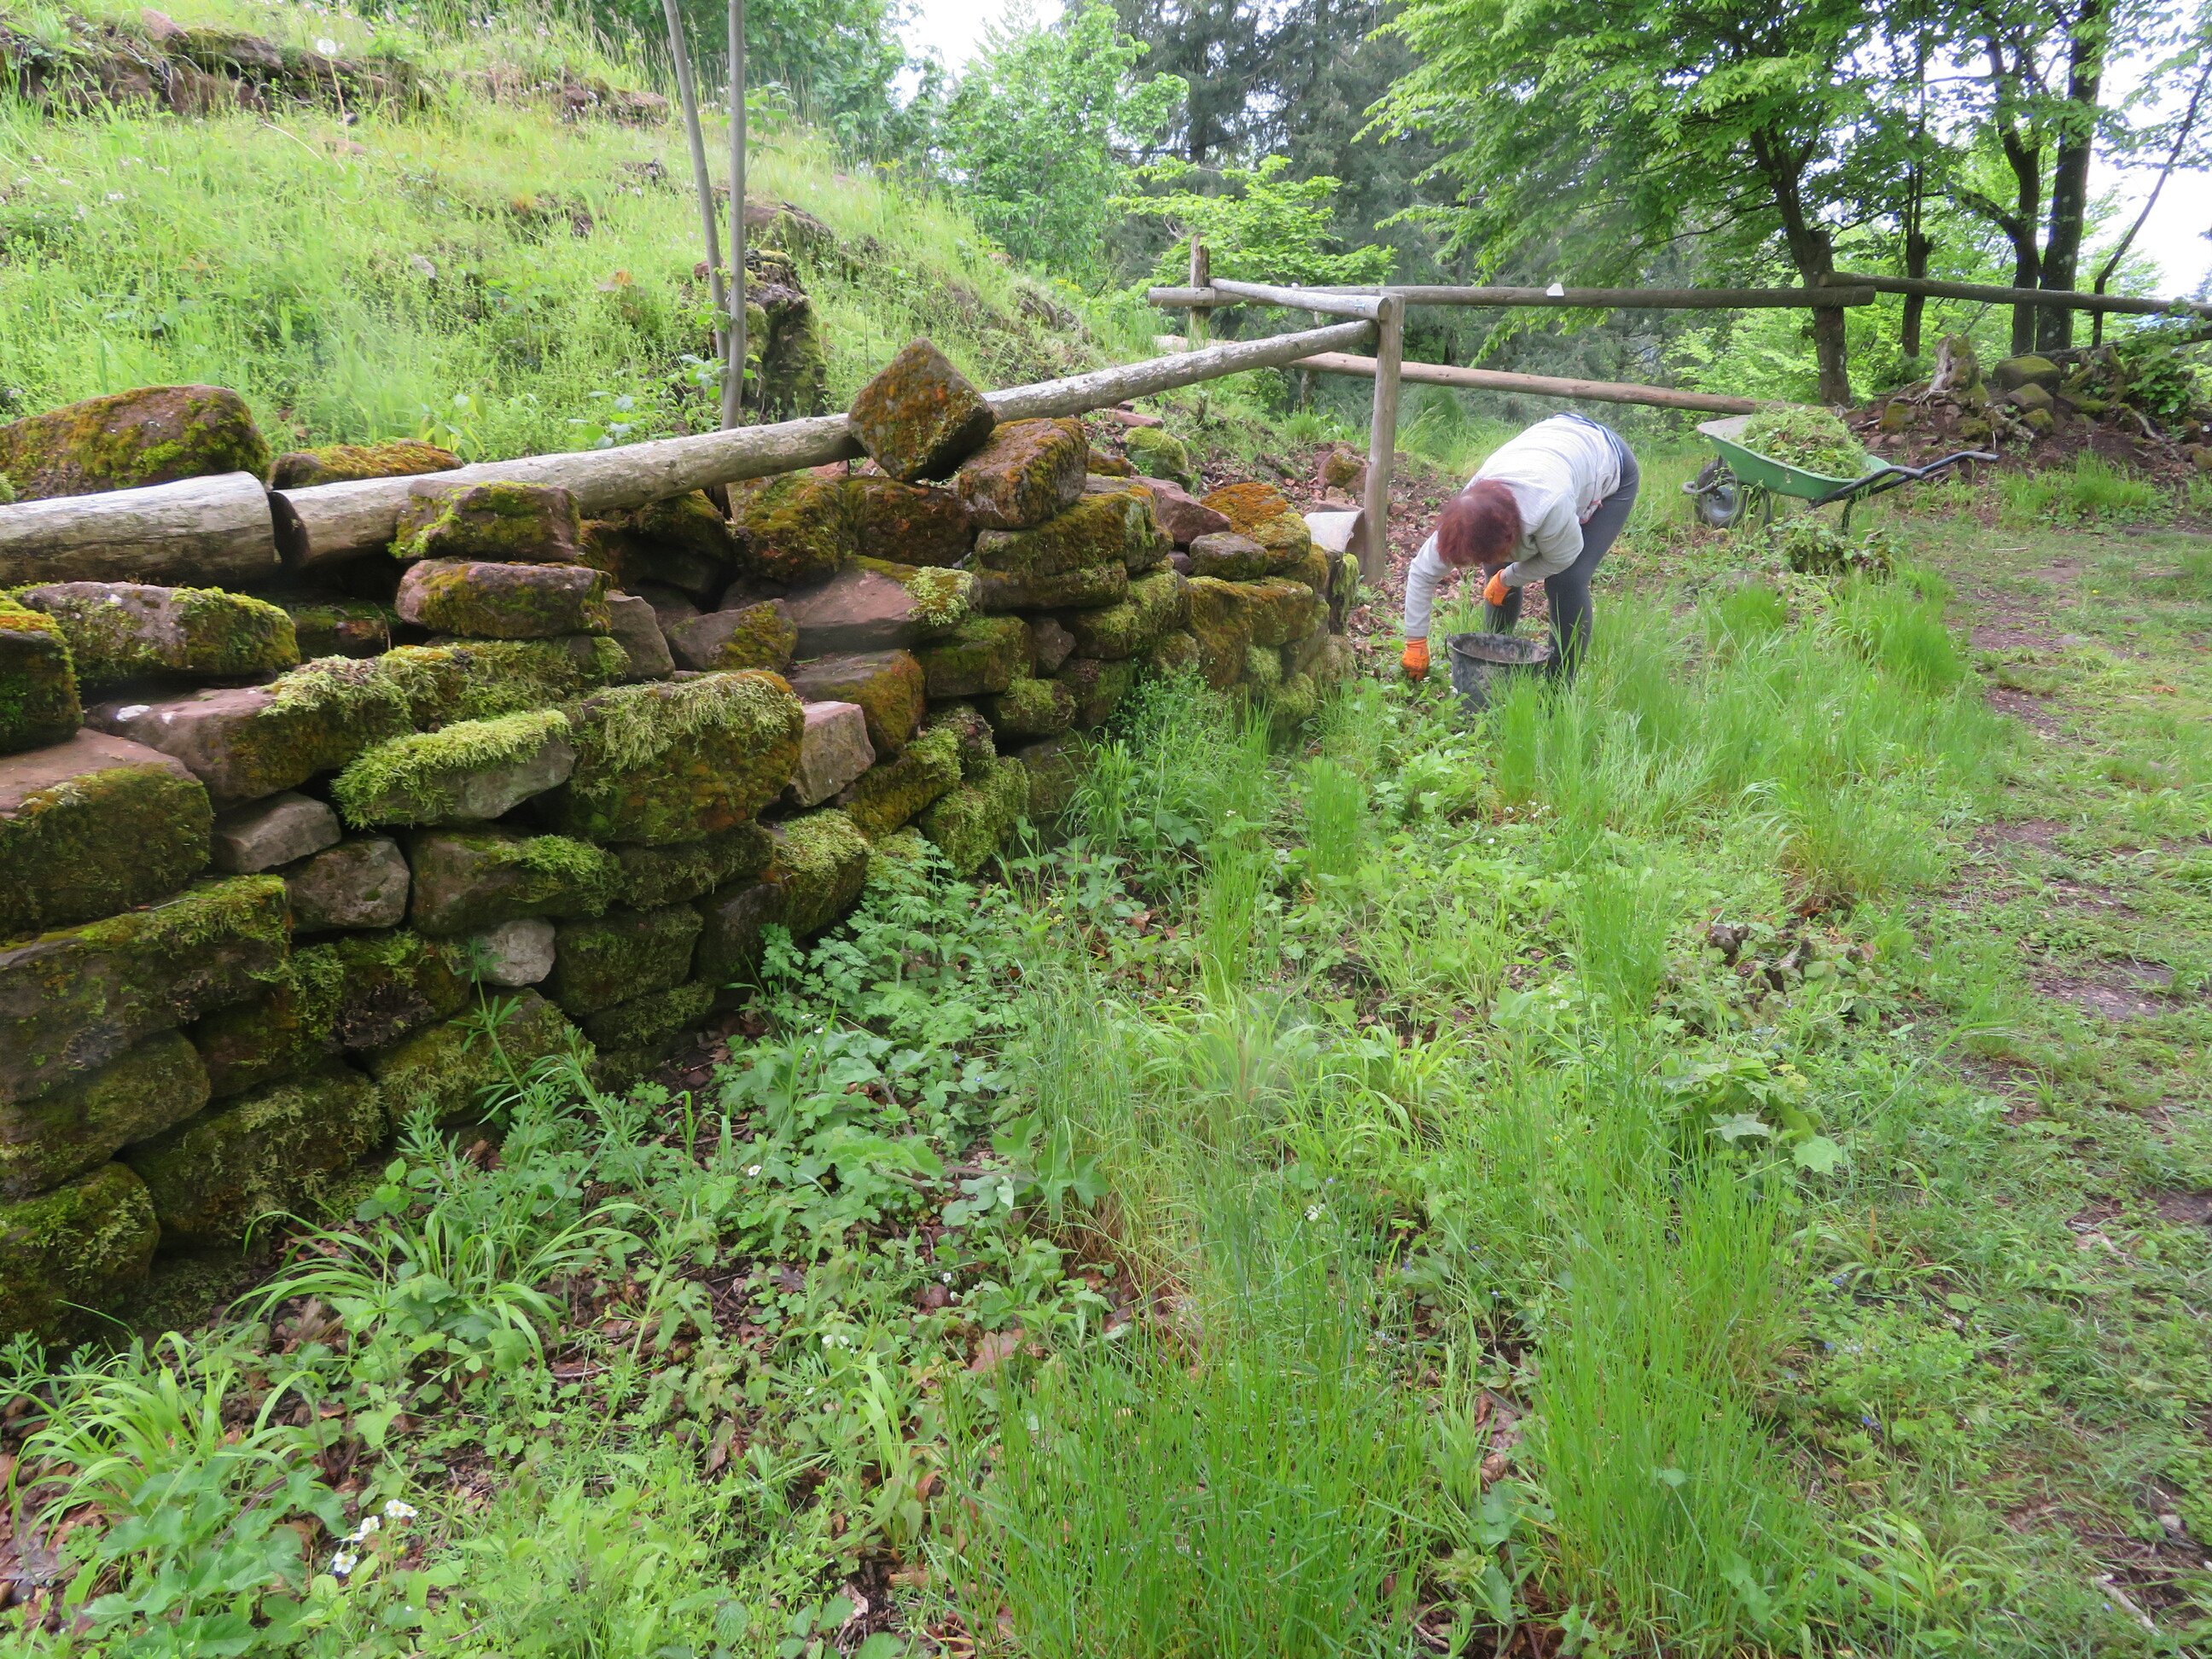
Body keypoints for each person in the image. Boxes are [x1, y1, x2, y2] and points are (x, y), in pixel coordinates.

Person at [1400, 411, 1640, 684]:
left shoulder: (1549, 507)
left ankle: (1559, 685)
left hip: (1608, 461)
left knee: (1567, 580)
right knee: (1495, 563)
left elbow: (1561, 559)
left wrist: (1508, 578)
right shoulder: (1467, 513)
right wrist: (1415, 642)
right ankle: (1494, 659)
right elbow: (1422, 572)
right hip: (1551, 447)